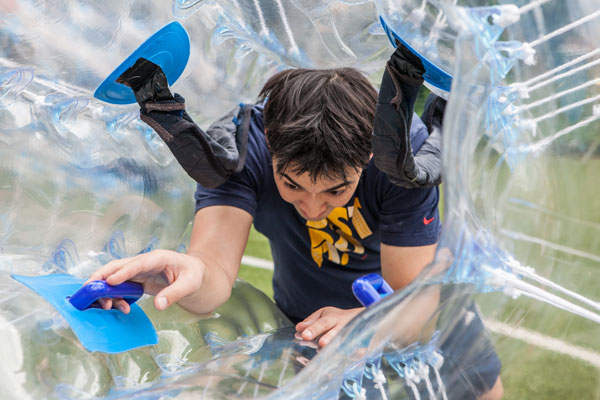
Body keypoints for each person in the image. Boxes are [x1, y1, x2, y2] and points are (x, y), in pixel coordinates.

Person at [88, 43, 502, 399]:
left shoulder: (401, 155)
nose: (313, 207)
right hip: (310, 324)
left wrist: (366, 322)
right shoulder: (241, 148)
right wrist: (189, 272)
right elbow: (212, 272)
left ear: (368, 157)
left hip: (412, 308)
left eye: (336, 191)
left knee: (482, 390)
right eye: (292, 185)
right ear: (271, 144)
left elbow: (416, 299)